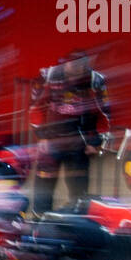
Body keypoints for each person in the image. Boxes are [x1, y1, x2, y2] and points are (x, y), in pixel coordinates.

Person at [29, 49, 112, 213]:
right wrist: (42, 137)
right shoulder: (48, 76)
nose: (75, 70)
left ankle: (76, 224)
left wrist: (95, 142)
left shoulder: (96, 80)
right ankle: (39, 226)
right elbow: (35, 109)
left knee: (79, 191)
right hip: (51, 141)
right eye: (71, 66)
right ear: (64, 64)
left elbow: (105, 114)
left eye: (80, 66)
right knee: (43, 188)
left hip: (78, 143)